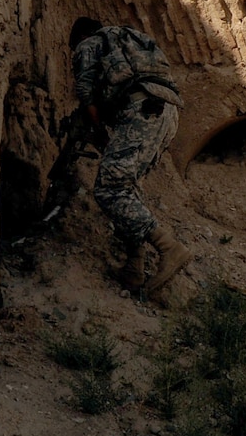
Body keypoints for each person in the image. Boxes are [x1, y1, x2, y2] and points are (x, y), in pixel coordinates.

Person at [63, 17, 195, 295]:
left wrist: (95, 126)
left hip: (141, 110)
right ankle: (133, 268)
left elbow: (86, 94)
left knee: (109, 189)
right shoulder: (126, 42)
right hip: (166, 113)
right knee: (126, 188)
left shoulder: (88, 44)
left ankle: (169, 248)